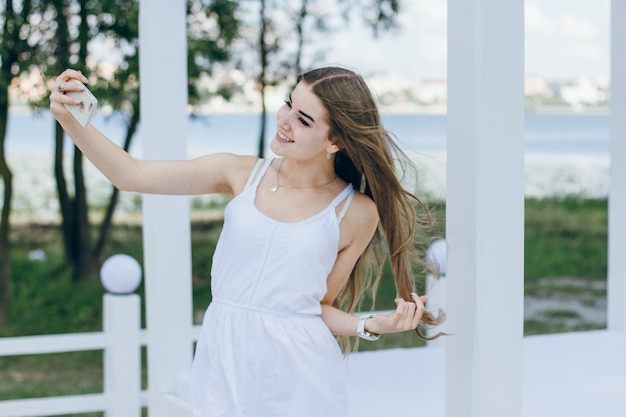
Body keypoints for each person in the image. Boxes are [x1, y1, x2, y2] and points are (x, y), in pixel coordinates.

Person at [50, 66, 444, 417]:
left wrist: (374, 324)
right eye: (288, 104)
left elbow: (313, 309)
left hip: (301, 377)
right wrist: (71, 121)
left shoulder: (355, 212)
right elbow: (131, 174)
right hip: (224, 361)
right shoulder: (239, 173)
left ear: (335, 141)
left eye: (304, 120)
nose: (284, 121)